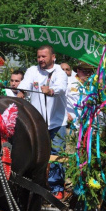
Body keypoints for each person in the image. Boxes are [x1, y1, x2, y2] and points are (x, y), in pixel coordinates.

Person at [17, 45, 67, 199]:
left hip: (57, 122)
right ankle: (35, 185)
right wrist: (19, 95)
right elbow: (24, 86)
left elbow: (60, 88)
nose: (40, 60)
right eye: (39, 57)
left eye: (44, 57)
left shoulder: (60, 72)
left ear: (53, 57)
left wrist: (50, 91)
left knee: (56, 155)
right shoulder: (33, 70)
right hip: (37, 123)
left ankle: (56, 188)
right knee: (35, 155)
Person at [66, 61, 95, 128]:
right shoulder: (68, 81)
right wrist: (64, 114)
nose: (88, 74)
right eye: (85, 71)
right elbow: (58, 99)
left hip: (87, 125)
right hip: (71, 123)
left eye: (90, 71)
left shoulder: (93, 85)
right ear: (78, 70)